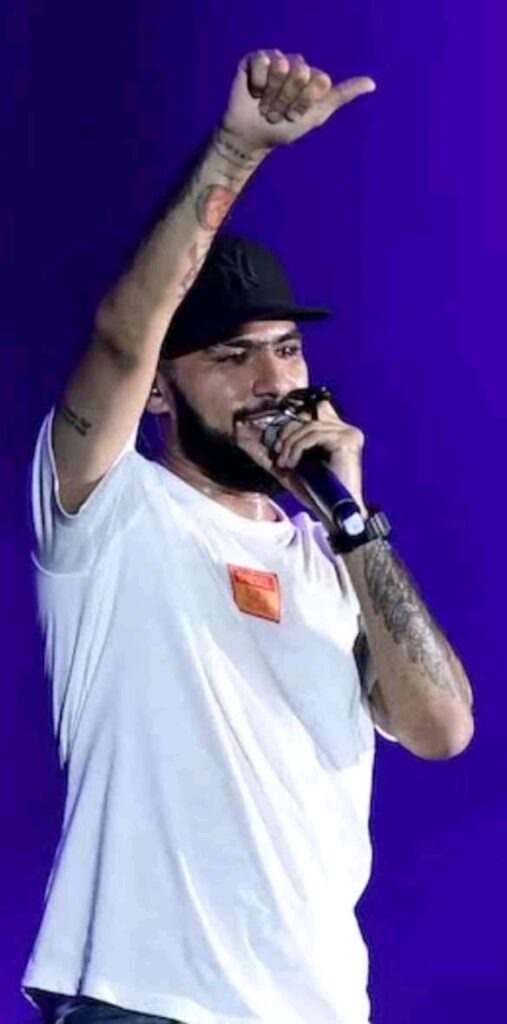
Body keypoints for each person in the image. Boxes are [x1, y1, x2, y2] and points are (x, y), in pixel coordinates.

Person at [23, 49, 475, 1024]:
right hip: (144, 1002)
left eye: (287, 349)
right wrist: (239, 149)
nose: (273, 382)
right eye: (233, 355)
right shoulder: (109, 511)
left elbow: (442, 730)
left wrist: (352, 520)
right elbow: (122, 336)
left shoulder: (334, 556)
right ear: (159, 392)